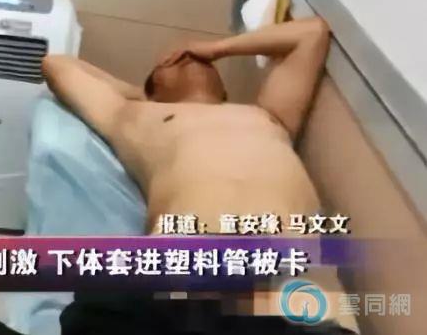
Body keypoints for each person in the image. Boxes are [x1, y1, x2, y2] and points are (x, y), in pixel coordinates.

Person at [38, 17, 357, 334]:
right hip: (178, 274)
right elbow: (58, 65)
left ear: (225, 90)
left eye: (195, 57)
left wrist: (217, 48)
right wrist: (138, 95)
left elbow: (311, 32)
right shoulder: (136, 117)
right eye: (168, 61)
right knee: (101, 308)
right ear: (153, 91)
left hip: (273, 286)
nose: (185, 55)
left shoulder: (270, 114)